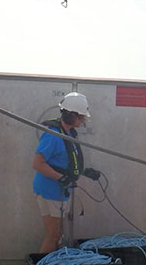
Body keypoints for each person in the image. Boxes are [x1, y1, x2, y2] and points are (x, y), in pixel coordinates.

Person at [32, 92, 99, 255]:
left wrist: (84, 172)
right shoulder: (53, 136)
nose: (82, 121)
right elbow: (37, 164)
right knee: (53, 235)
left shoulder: (68, 134)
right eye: (81, 117)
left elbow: (65, 160)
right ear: (70, 115)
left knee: (57, 233)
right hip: (50, 190)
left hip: (57, 190)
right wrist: (61, 178)